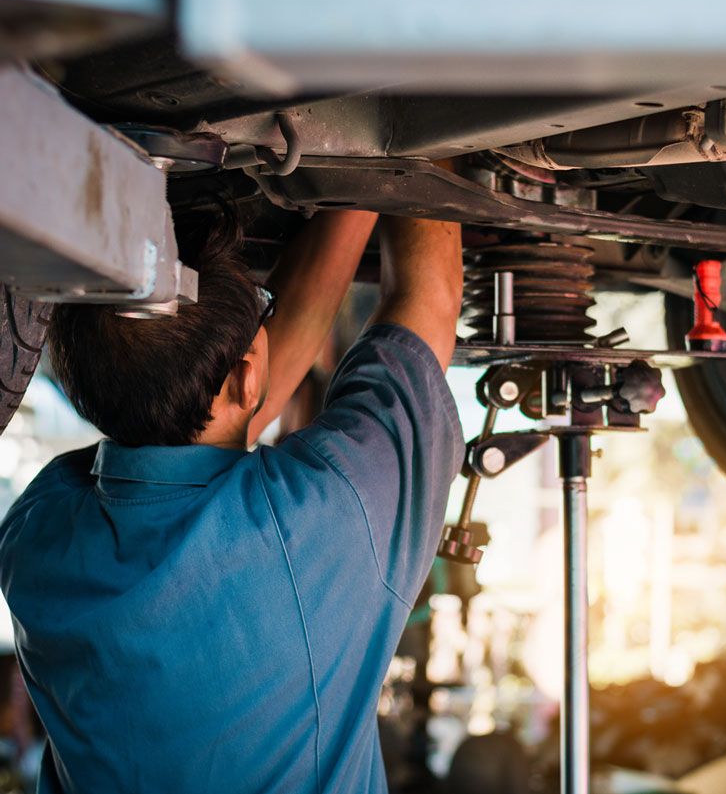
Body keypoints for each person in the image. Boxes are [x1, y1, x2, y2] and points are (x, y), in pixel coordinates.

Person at [0, 207, 464, 793]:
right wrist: (381, 154)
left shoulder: (35, 541)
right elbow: (431, 290)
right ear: (248, 377)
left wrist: (373, 187)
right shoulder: (34, 535)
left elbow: (429, 301)